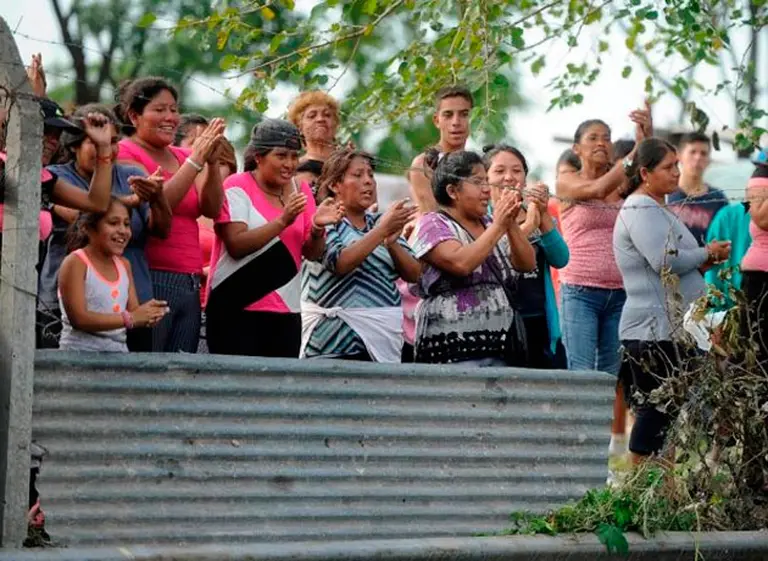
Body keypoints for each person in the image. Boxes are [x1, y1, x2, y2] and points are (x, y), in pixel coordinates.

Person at [614, 137, 729, 463]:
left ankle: (663, 495)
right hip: (652, 330)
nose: (676, 172)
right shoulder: (640, 206)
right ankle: (639, 491)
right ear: (645, 173)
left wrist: (703, 261)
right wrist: (707, 251)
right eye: (668, 167)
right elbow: (663, 260)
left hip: (668, 328)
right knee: (654, 415)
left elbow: (676, 263)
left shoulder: (655, 205)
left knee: (664, 419)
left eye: (677, 165)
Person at [556, 104, 651, 480]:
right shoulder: (569, 182)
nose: (601, 143)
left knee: (608, 380)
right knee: (581, 378)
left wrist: (644, 137)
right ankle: (574, 465)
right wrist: (630, 156)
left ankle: (599, 467)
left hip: (619, 296)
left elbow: (642, 174)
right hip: (580, 291)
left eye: (607, 138)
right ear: (577, 148)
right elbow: (597, 187)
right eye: (592, 138)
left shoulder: (621, 187)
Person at [205, 119, 344, 357]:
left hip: (287, 311)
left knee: (280, 390)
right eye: (281, 156)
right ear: (258, 157)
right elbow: (237, 245)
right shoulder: (237, 185)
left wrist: (318, 228)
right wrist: (282, 221)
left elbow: (311, 253)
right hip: (236, 304)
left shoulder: (301, 191)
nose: (290, 163)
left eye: (293, 156)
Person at [41, 104, 172, 352]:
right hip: (66, 304)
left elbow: (162, 230)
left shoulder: (131, 174)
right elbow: (81, 215)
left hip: (132, 304)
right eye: (98, 142)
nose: (109, 149)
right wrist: (131, 201)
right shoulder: (52, 177)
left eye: (114, 142)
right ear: (74, 145)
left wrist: (157, 197)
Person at [116, 76, 226, 353]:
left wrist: (211, 163)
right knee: (150, 367)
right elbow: (161, 203)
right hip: (150, 275)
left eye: (174, 110)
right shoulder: (125, 152)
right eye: (159, 109)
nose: (170, 117)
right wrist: (196, 160)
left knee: (181, 369)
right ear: (134, 115)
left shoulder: (181, 155)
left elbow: (211, 209)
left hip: (189, 280)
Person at [411, 150, 535, 365]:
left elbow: (526, 264)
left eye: (487, 180)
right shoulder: (433, 224)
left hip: (501, 351)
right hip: (451, 353)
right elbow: (461, 263)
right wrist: (499, 226)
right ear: (452, 191)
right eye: (478, 182)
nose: (488, 189)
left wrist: (511, 223)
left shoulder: (489, 223)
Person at [301, 149, 421, 361]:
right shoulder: (326, 219)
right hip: (335, 344)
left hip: (384, 344)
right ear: (335, 185)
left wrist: (392, 244)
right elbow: (340, 262)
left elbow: (415, 274)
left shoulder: (378, 222)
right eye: (358, 175)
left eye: (371, 175)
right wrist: (381, 232)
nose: (368, 181)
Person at [485, 144, 569, 369]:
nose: (509, 177)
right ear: (485, 179)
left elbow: (561, 259)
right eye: (500, 171)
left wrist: (542, 216)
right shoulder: (483, 219)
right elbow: (496, 254)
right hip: (500, 324)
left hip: (539, 319)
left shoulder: (534, 211)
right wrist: (530, 224)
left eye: (517, 170)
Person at [57, 198, 170, 352]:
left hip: (118, 359)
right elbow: (79, 318)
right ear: (88, 228)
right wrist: (130, 318)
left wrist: (149, 314)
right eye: (113, 223)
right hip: (79, 359)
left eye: (127, 224)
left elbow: (134, 313)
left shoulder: (124, 265)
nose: (123, 231)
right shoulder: (76, 262)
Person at [409, 86, 473, 212]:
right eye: (448, 115)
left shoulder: (478, 165)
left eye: (464, 115)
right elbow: (436, 219)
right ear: (436, 120)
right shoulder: (424, 165)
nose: (456, 122)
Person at [665, 132, 728, 247]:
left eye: (703, 153)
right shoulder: (665, 194)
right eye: (692, 152)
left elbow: (724, 238)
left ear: (709, 160)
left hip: (705, 262)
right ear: (679, 156)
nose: (698, 157)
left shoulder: (718, 199)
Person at [287, 90, 342, 166]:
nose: (320, 119)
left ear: (335, 123)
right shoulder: (294, 170)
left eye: (327, 115)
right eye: (312, 116)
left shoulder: (348, 163)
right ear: (299, 127)